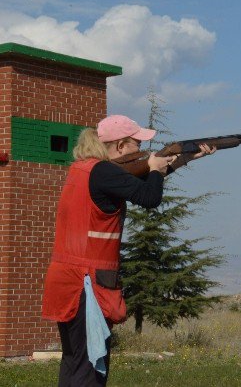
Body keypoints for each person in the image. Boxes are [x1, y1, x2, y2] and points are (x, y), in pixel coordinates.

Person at [42, 115, 215, 386]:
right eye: (136, 144)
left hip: (70, 281)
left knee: (77, 362)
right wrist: (156, 169)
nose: (142, 150)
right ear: (121, 146)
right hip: (87, 286)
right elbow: (149, 197)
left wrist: (185, 159)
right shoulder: (104, 172)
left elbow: (135, 184)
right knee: (88, 370)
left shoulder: (87, 169)